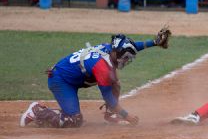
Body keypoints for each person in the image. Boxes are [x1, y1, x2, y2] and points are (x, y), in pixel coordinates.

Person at [20, 32, 170, 128]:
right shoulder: (102, 68)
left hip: (73, 77)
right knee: (74, 120)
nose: (126, 61)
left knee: (115, 83)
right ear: (118, 53)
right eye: (125, 58)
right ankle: (37, 111)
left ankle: (111, 115)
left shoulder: (110, 48)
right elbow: (109, 98)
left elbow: (133, 46)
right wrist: (128, 116)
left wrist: (154, 42)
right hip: (61, 80)